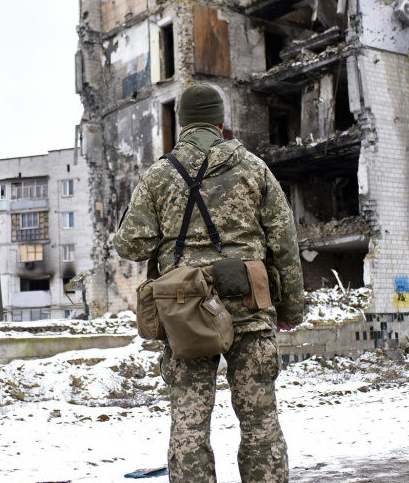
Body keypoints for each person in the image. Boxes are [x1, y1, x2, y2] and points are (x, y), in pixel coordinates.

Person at [113, 83, 304, 483]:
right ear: (221, 121)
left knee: (189, 425)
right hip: (250, 308)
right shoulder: (254, 168)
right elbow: (284, 242)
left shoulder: (160, 175)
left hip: (186, 313)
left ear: (181, 122)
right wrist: (290, 309)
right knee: (260, 421)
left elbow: (130, 244)